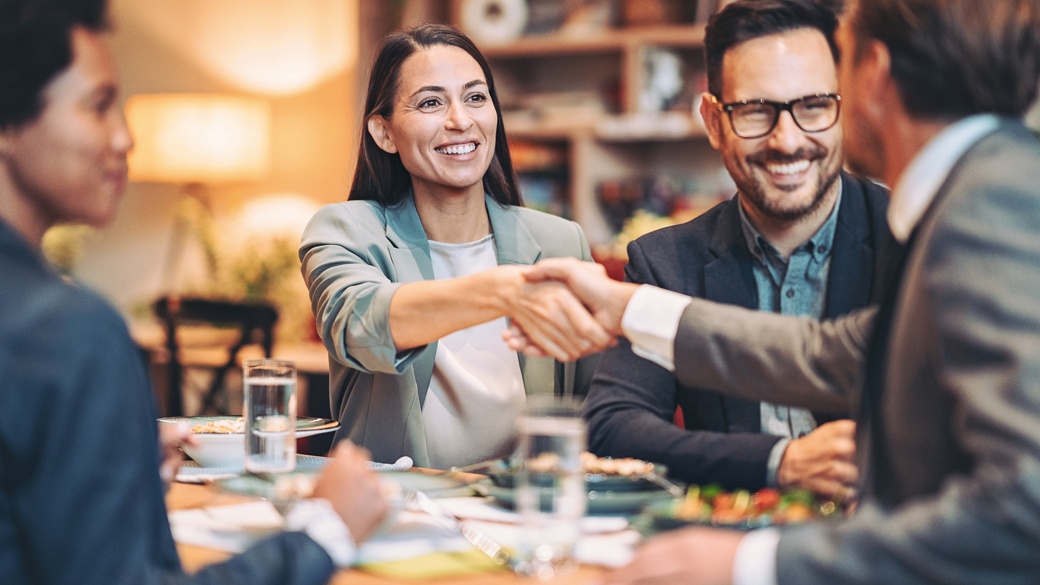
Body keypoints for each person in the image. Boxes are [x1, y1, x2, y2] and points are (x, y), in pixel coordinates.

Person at [510, 0, 1040, 582]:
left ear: (873, 74)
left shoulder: (988, 205)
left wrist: (754, 563)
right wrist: (628, 307)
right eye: (759, 111)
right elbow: (832, 353)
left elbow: (1024, 511)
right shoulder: (980, 192)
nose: (790, 137)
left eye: (821, 98)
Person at [0, 1, 388, 583]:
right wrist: (322, 529)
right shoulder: (68, 332)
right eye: (99, 106)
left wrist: (105, 471)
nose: (125, 138)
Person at [583, 0, 891, 498]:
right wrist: (780, 463)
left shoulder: (909, 241)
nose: (787, 140)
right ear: (713, 120)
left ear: (847, 105)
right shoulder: (666, 262)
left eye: (813, 106)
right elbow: (613, 427)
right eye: (755, 111)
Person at [299, 24, 607, 471]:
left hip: (520, 513)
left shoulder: (561, 242)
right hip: (395, 512)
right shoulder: (347, 230)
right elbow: (359, 324)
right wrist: (503, 291)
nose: (460, 120)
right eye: (430, 102)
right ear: (384, 133)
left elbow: (597, 406)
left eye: (476, 97)